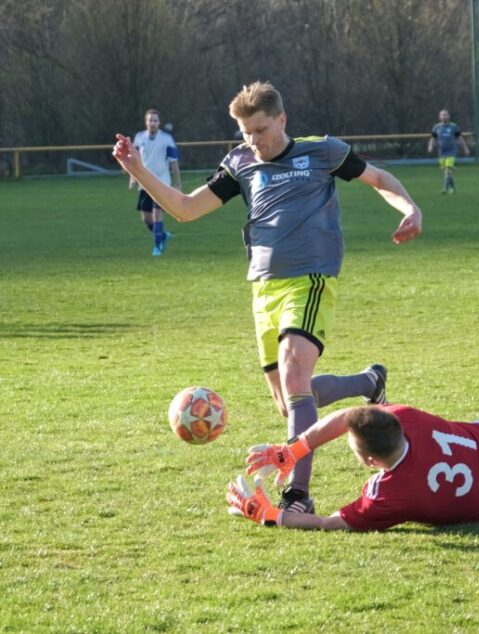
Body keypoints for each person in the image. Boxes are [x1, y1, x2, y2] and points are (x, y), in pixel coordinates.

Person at [112, 81, 423, 513]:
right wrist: (137, 169)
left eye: (260, 130)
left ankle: (298, 495)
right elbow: (185, 208)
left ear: (281, 119)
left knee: (295, 378)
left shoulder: (322, 152)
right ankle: (368, 382)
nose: (254, 140)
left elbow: (379, 178)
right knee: (288, 402)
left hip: (310, 279)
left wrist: (410, 209)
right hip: (262, 287)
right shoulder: (240, 163)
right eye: (246, 133)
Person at [227, 376, 479, 531]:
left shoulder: (389, 497)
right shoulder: (409, 417)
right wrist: (292, 450)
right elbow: (348, 417)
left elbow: (329, 523)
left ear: (371, 462)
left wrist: (269, 514)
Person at [130, 109, 182, 256]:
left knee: (156, 214)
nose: (152, 123)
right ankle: (163, 236)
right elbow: (134, 160)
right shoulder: (139, 137)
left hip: (162, 182)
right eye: (150, 120)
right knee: (146, 219)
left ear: (159, 123)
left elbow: (174, 163)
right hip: (144, 183)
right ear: (146, 122)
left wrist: (178, 183)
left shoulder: (167, 139)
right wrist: (132, 178)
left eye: (155, 120)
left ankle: (158, 246)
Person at [427, 109, 470, 194]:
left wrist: (465, 148)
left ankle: (445, 189)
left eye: (445, 115)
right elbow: (432, 138)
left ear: (448, 116)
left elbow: (460, 137)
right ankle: (453, 188)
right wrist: (430, 146)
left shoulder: (453, 126)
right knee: (446, 172)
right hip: (441, 152)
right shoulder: (437, 127)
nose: (444, 116)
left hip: (451, 151)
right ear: (439, 117)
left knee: (448, 170)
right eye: (442, 115)